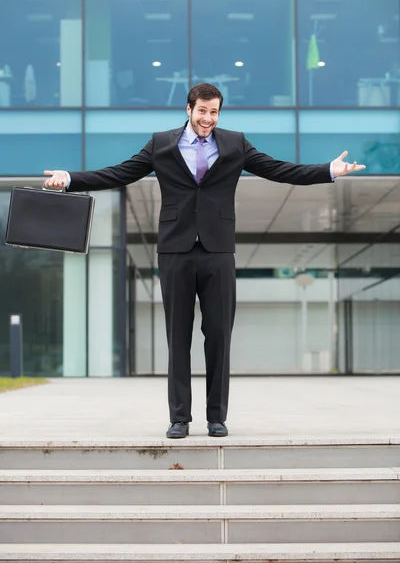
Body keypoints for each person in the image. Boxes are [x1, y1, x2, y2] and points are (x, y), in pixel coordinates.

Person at [44, 83, 365, 439]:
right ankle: (179, 417)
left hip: (218, 252)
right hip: (175, 251)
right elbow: (120, 173)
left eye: (214, 112)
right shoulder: (161, 144)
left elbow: (278, 170)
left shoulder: (235, 143)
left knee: (219, 337)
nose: (208, 119)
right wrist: (71, 179)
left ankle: (217, 417)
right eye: (202, 112)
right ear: (188, 109)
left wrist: (328, 171)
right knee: (177, 337)